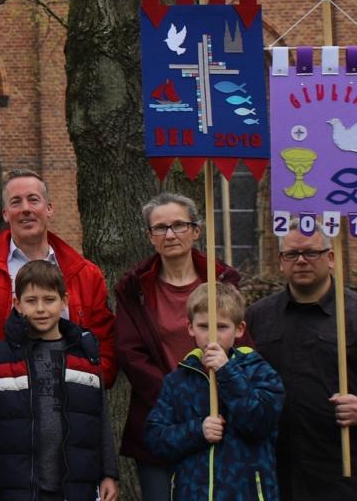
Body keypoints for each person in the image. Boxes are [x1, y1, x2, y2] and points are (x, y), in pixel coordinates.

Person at [247, 231, 357, 501]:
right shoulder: (257, 317)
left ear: (330, 258)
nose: (301, 260)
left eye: (311, 252)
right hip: (283, 476)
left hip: (356, 479)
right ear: (281, 262)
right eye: (291, 254)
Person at [113, 193, 244, 501]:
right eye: (160, 228)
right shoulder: (134, 287)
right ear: (150, 236)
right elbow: (131, 353)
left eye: (179, 225)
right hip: (161, 417)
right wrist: (179, 399)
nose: (170, 234)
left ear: (196, 231)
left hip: (217, 417)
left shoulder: (222, 280)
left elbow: (240, 346)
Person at [0, 170, 116, 390]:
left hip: (69, 404)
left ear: (49, 208)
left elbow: (105, 343)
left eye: (33, 200)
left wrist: (89, 379)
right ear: (5, 213)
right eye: (16, 202)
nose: (25, 209)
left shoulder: (86, 274)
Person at [0, 261, 118, 501]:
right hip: (16, 483)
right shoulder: (2, 356)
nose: (41, 309)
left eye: (49, 299)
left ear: (65, 301)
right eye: (31, 301)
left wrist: (109, 473)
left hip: (76, 483)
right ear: (17, 304)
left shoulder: (85, 354)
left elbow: (100, 417)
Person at [145, 282, 283, 501]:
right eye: (203, 326)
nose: (212, 336)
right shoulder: (178, 380)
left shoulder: (260, 372)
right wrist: (197, 431)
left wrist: (227, 373)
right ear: (190, 327)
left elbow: (260, 423)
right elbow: (155, 439)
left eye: (221, 327)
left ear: (239, 329)